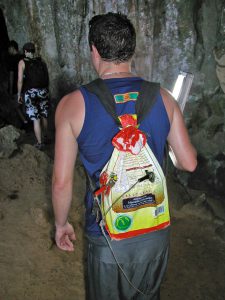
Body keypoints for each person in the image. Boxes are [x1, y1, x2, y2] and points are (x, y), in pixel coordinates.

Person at [52, 12, 197, 300]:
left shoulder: (72, 105)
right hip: (154, 229)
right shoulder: (164, 98)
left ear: (94, 51)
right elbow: (188, 163)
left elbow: (61, 182)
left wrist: (61, 224)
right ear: (132, 51)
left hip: (108, 236)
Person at [17, 42, 49, 149]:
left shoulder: (22, 62)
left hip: (30, 93)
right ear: (33, 51)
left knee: (36, 119)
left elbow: (20, 80)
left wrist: (19, 94)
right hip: (43, 91)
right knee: (44, 115)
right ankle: (46, 137)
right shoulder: (41, 61)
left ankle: (40, 143)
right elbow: (46, 77)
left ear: (25, 51)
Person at [7, 40, 27, 126]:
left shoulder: (12, 60)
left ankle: (25, 122)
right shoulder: (23, 57)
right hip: (26, 84)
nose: (8, 51)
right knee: (25, 104)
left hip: (16, 86)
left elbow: (11, 76)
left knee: (17, 106)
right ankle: (29, 121)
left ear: (12, 48)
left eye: (9, 49)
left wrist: (11, 89)